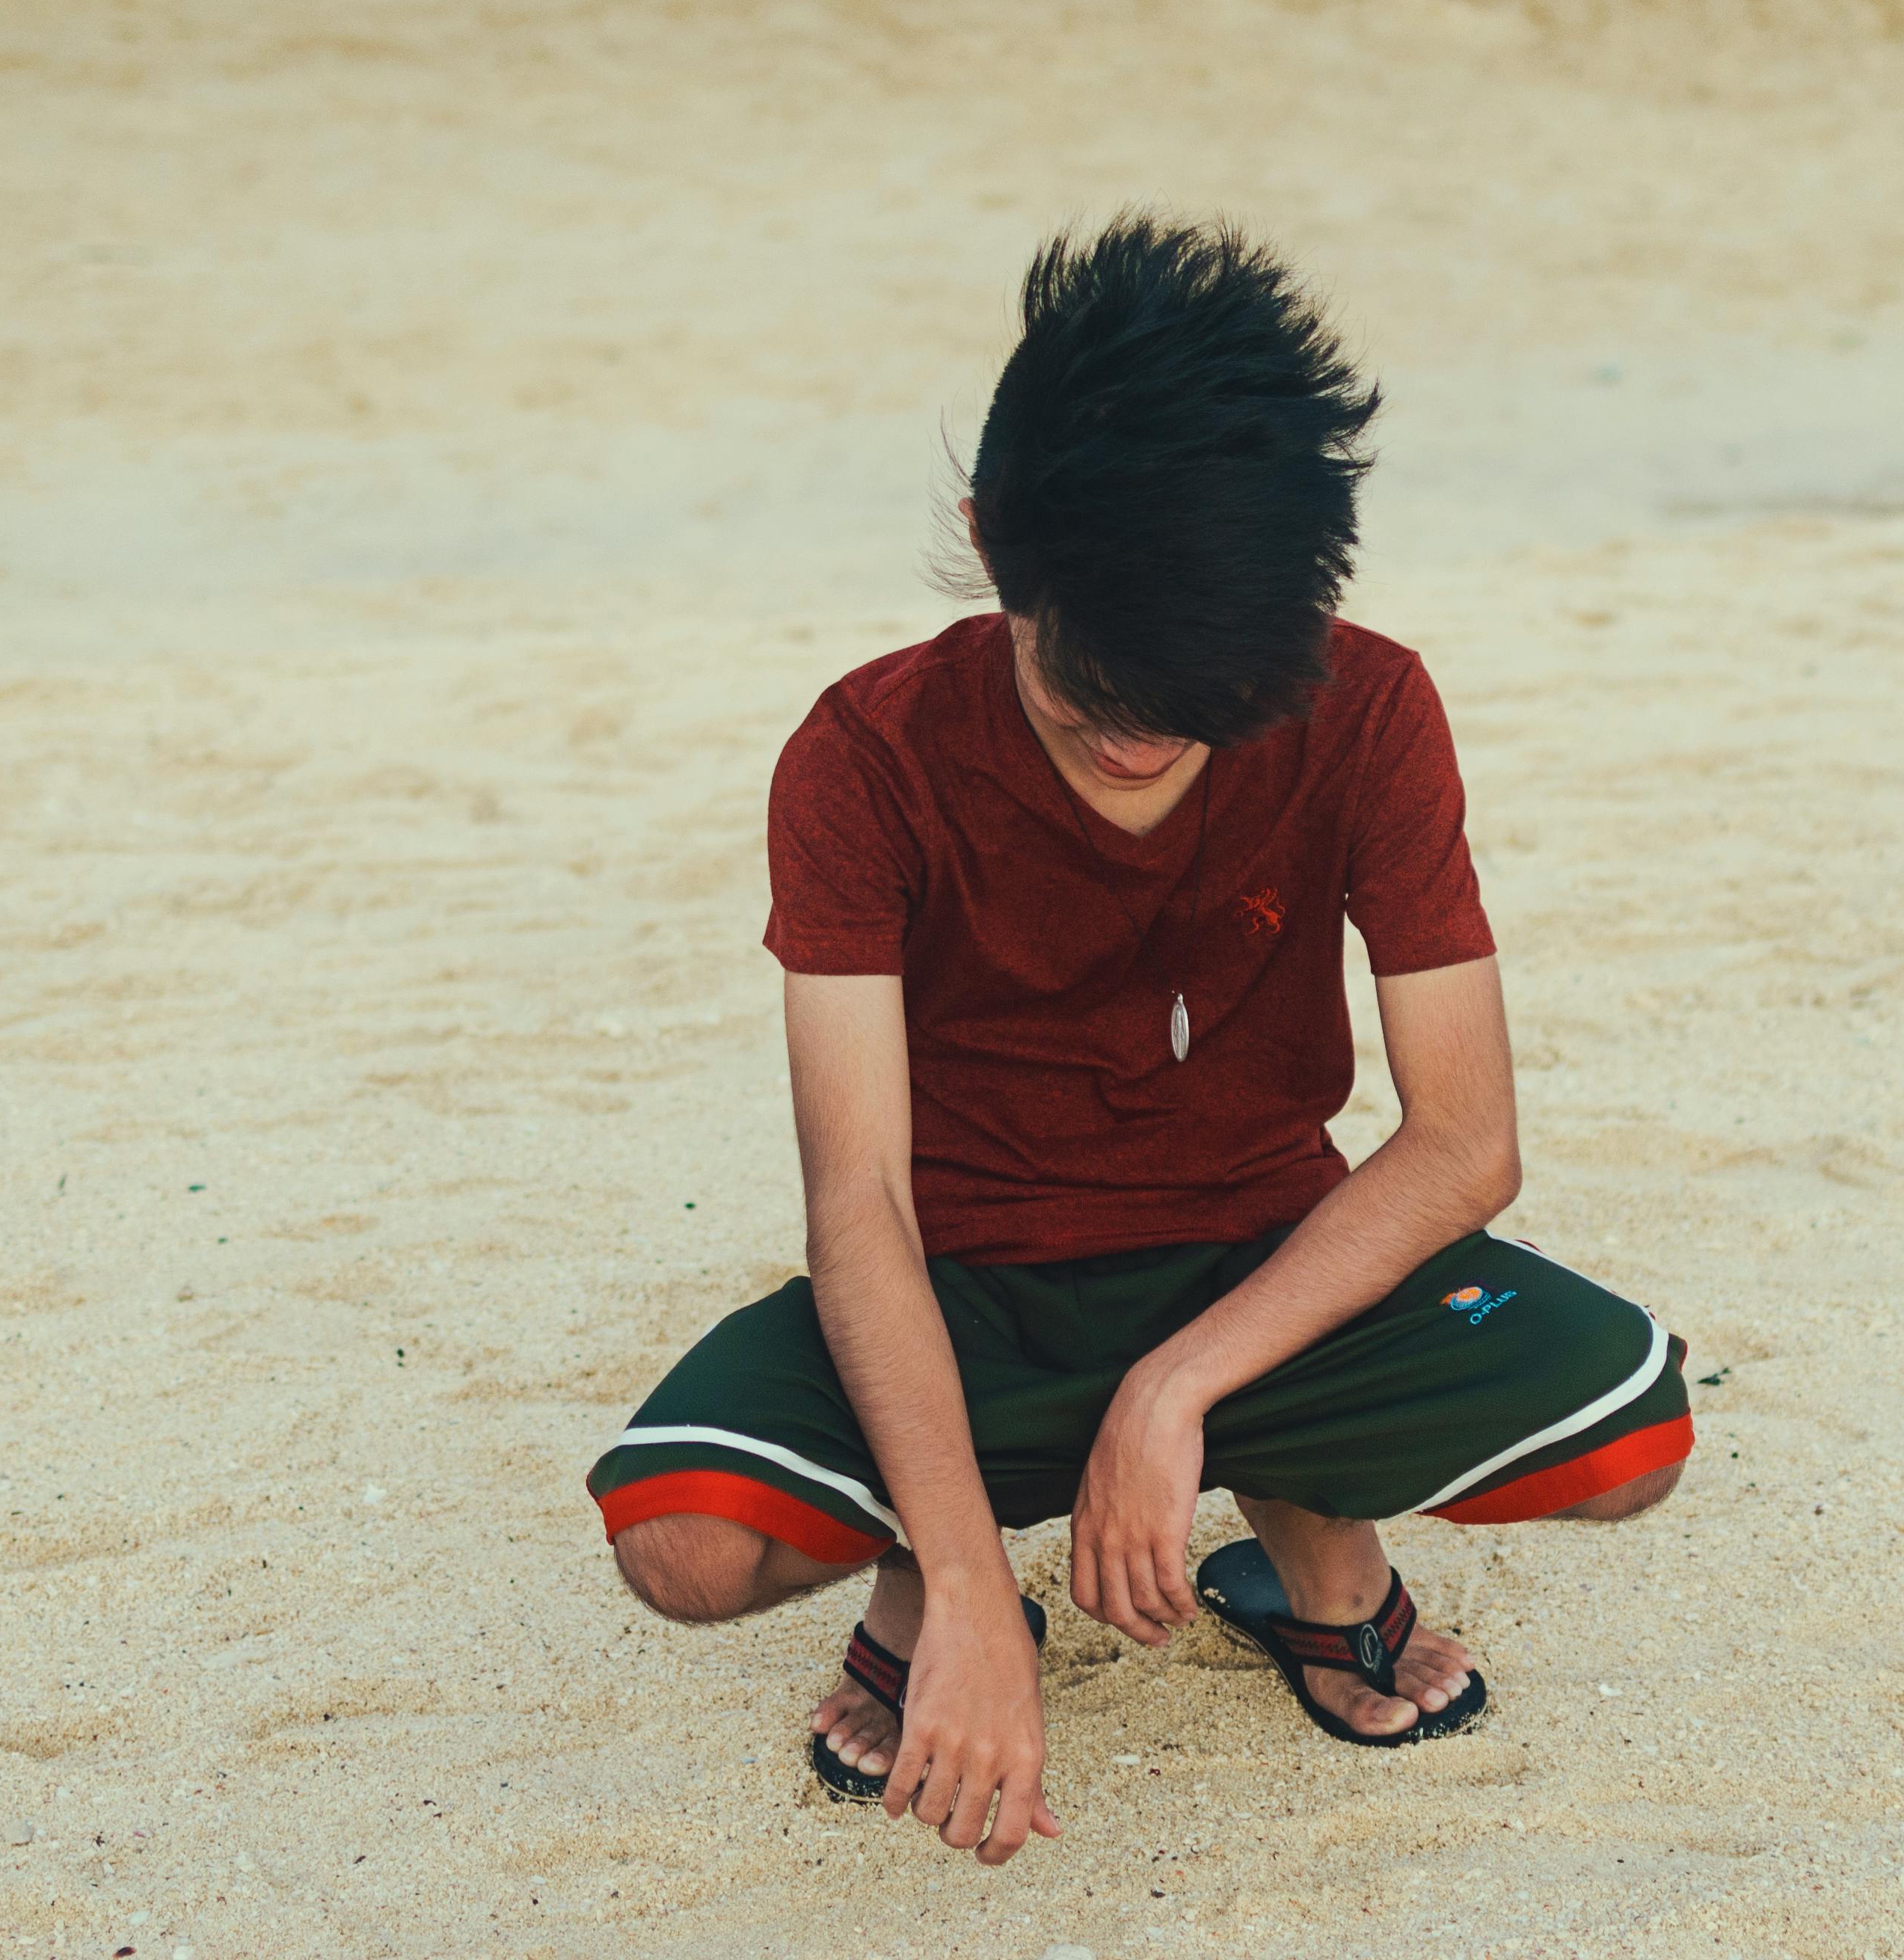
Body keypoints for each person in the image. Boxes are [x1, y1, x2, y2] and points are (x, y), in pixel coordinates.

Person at [588, 218, 1695, 1866]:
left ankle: (1305, 1546)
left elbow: (1463, 1142)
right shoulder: (863, 754)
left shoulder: (1369, 705)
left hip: (1258, 1262)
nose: (1137, 741)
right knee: (680, 1545)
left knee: (1630, 1438)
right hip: (966, 1280)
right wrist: (970, 1586)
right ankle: (944, 1565)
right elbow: (862, 1209)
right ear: (992, 546)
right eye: (1093, 686)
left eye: (1194, 704)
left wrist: (1169, 1393)